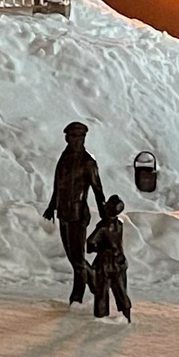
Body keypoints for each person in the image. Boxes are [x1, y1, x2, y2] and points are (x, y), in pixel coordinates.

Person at [42, 120, 106, 306]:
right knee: (72, 256)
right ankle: (94, 279)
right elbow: (58, 185)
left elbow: (97, 189)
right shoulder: (64, 158)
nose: (71, 139)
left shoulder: (88, 162)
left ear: (82, 138)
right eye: (69, 136)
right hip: (63, 212)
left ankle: (77, 296)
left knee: (77, 259)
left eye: (75, 136)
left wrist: (104, 214)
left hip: (78, 214)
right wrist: (52, 206)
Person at [86, 195, 132, 322]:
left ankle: (101, 315)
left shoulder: (103, 227)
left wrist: (97, 248)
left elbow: (90, 242)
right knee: (120, 289)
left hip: (105, 263)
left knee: (102, 290)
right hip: (119, 261)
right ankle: (126, 314)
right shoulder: (119, 224)